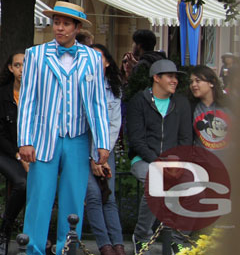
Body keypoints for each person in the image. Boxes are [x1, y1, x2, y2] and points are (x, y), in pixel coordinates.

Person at [19, 1, 110, 255]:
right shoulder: (36, 55)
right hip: (44, 138)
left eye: (65, 24)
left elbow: (98, 102)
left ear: (77, 27)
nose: (59, 28)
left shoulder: (92, 58)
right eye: (56, 22)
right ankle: (33, 251)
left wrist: (102, 142)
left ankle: (67, 250)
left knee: (73, 202)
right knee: (39, 200)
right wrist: (25, 140)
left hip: (78, 139)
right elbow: (27, 100)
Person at [126, 59, 192, 252]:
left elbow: (185, 138)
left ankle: (178, 238)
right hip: (145, 160)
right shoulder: (139, 101)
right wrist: (159, 162)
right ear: (156, 78)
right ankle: (142, 235)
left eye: (176, 78)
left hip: (175, 160)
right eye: (170, 76)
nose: (175, 81)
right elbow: (137, 140)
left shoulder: (181, 103)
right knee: (155, 180)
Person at [82, 44, 125, 255]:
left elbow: (114, 124)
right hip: (84, 151)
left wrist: (102, 155)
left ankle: (118, 244)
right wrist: (93, 156)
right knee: (93, 196)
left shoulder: (114, 88)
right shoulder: (81, 85)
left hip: (104, 153)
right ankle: (105, 245)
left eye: (98, 58)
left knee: (109, 197)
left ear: (107, 62)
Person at [0, 50, 26, 255]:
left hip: (33, 155)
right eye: (18, 65)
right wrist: (18, 155)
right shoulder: (0, 95)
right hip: (6, 154)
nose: (22, 69)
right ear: (11, 68)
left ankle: (37, 234)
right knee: (22, 183)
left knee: (43, 184)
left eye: (25, 65)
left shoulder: (37, 94)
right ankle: (4, 230)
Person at [189, 64, 229, 156]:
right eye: (191, 82)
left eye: (198, 81)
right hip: (202, 164)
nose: (193, 85)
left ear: (211, 83)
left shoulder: (228, 105)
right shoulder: (190, 107)